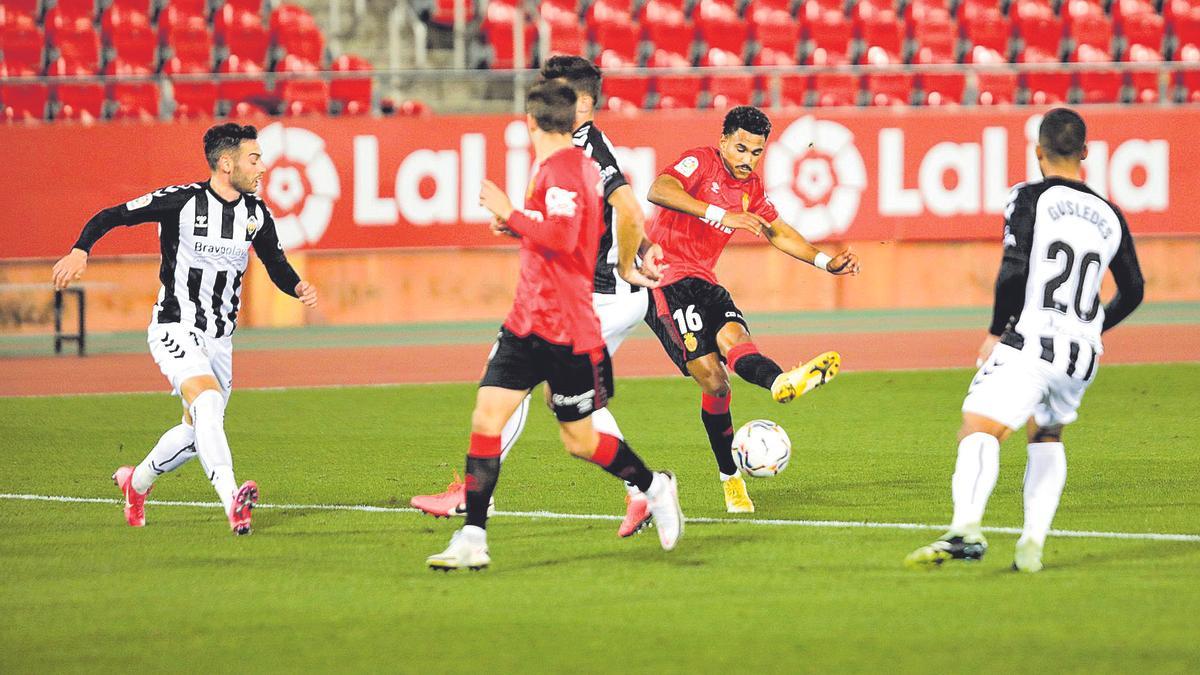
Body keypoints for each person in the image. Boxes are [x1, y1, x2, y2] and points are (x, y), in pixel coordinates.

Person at [426, 81, 682, 571]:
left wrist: (509, 214)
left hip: (568, 329)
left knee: (579, 441)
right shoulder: (567, 167)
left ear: (529, 122)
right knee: (486, 418)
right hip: (527, 320)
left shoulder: (566, 168)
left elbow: (563, 239)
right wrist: (518, 219)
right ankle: (473, 538)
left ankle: (654, 486)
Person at [905, 108, 1144, 573]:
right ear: (1086, 153)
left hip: (1033, 340)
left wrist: (997, 331)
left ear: (1039, 152)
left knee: (979, 429)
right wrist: (1093, 328)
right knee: (1047, 433)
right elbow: (1133, 290)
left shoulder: (1030, 196)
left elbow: (1014, 267)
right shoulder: (1110, 214)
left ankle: (966, 530)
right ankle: (1031, 544)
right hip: (1081, 356)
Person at [51, 123, 319, 536]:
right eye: (254, 158)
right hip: (175, 326)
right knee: (208, 404)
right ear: (226, 164)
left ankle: (135, 483)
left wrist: (296, 285)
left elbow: (275, 263)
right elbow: (113, 215)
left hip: (220, 340)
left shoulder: (255, 213)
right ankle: (234, 500)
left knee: (196, 434)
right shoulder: (180, 201)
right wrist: (80, 250)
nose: (263, 167)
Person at [643, 105, 860, 513]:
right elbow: (659, 190)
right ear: (723, 140)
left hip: (706, 282)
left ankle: (780, 384)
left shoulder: (751, 188)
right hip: (666, 282)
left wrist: (823, 261)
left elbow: (778, 232)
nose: (746, 160)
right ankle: (731, 480)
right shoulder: (701, 162)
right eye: (740, 148)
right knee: (715, 383)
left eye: (756, 152)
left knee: (737, 341)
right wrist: (720, 214)